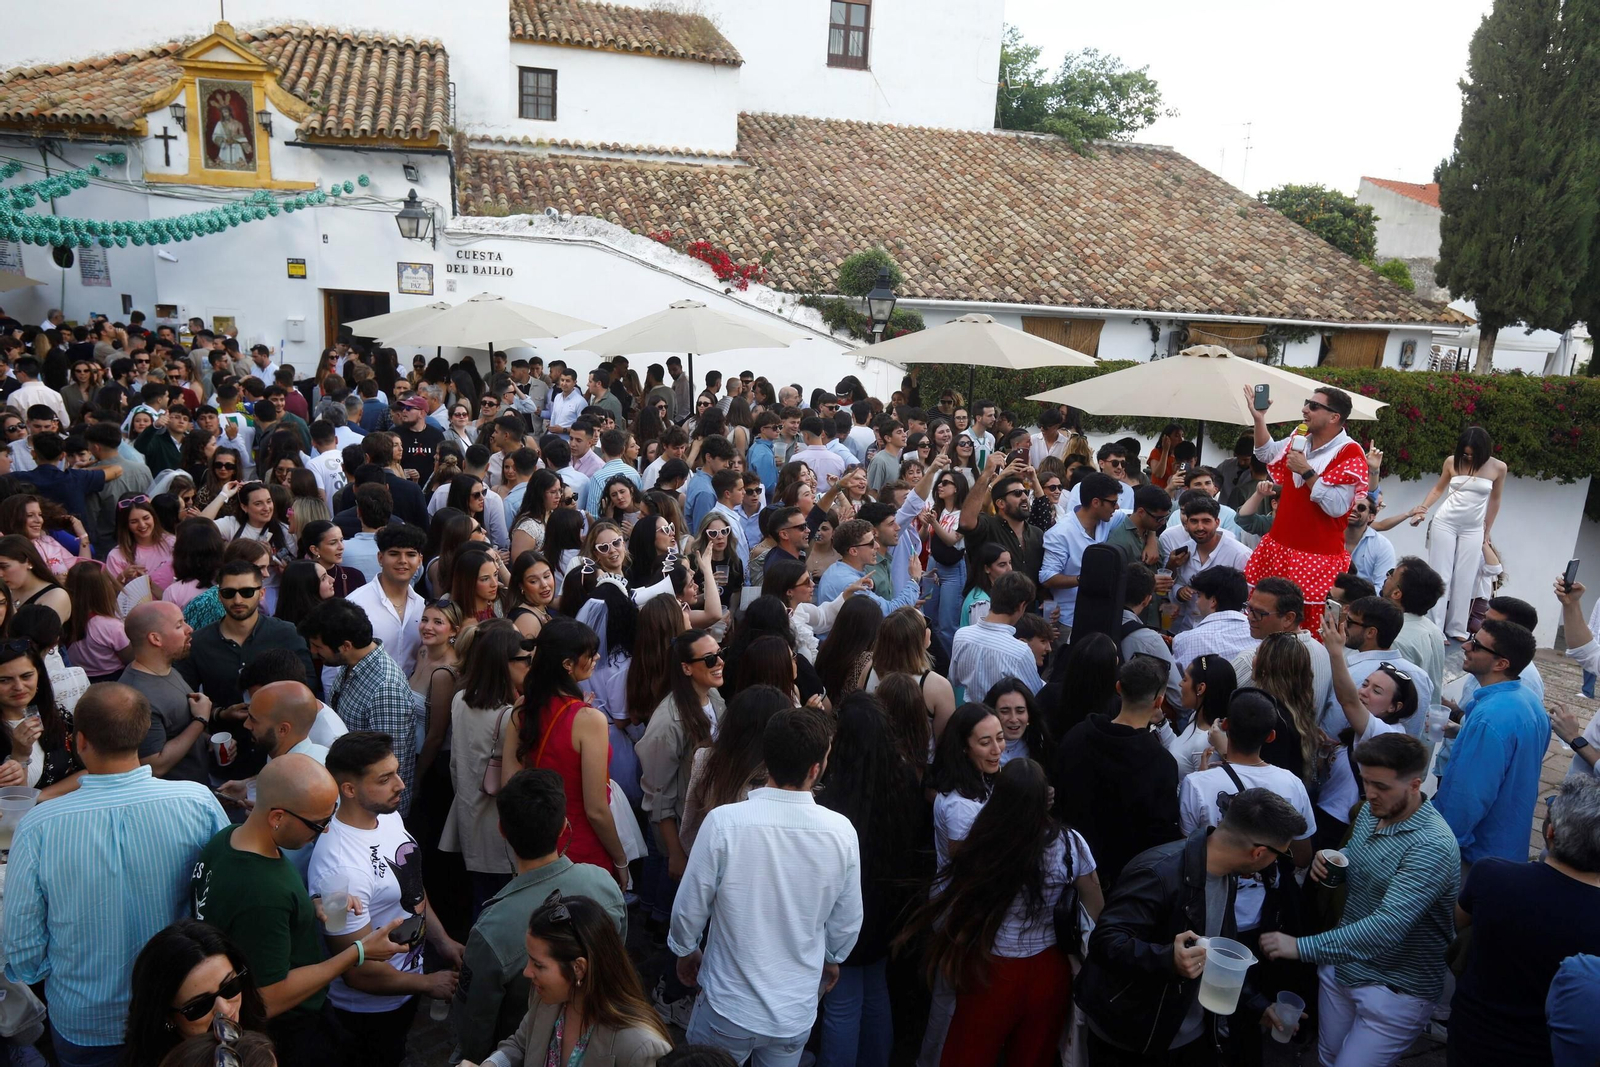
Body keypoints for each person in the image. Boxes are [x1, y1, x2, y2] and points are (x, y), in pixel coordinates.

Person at [3, 682, 230, 1066]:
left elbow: (23, 950)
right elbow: (223, 900)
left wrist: (68, 972)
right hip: (182, 1010)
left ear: (79, 741)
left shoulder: (38, 826)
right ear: (142, 734)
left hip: (85, 1021)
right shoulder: (197, 801)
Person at [670, 707, 863, 1067]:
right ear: (816, 769)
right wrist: (832, 958)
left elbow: (690, 904)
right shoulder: (841, 833)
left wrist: (685, 948)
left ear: (767, 759)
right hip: (793, 1013)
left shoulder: (724, 823)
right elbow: (847, 920)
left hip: (727, 1007)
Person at [190, 753, 407, 1066]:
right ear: (277, 817)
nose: (326, 831)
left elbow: (255, 918)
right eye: (319, 824)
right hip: (290, 1031)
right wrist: (359, 951)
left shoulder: (227, 838)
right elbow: (267, 998)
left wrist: (309, 905)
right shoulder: (263, 892)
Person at [1259, 733, 1460, 1067]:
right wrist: (1331, 859)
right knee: (1328, 1057)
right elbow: (1362, 857)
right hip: (1341, 967)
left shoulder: (1432, 847)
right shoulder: (1370, 811)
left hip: (1394, 989)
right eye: (1366, 781)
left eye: (1380, 786)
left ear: (1415, 785)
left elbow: (1386, 927)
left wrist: (1300, 947)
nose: (1369, 793)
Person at [1076, 788, 1308, 1065]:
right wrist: (1167, 959)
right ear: (1258, 853)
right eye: (1281, 854)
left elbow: (1217, 953)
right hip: (1134, 1038)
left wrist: (1256, 1004)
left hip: (1190, 1033)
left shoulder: (1227, 875)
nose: (1278, 861)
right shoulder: (1158, 872)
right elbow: (1104, 941)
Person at [904, 758, 1102, 1067]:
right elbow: (1095, 906)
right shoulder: (1071, 843)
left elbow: (965, 909)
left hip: (990, 970)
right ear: (1044, 798)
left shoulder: (982, 843)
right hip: (1050, 972)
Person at [308, 732, 462, 1066]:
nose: (401, 785)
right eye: (384, 778)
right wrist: (426, 983)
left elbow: (411, 886)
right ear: (349, 789)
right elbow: (355, 971)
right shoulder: (337, 872)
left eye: (396, 771)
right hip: (366, 1015)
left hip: (403, 990)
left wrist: (443, 942)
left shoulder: (387, 814)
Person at [454, 768, 628, 1062]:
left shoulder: (491, 928)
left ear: (502, 830)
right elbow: (617, 959)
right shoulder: (603, 883)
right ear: (563, 827)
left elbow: (475, 1025)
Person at [1445, 776, 1600, 1065]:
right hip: (1545, 1052)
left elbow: (1459, 922)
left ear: (1550, 832)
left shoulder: (1491, 875)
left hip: (1472, 1038)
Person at [814, 693, 925, 1067]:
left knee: (842, 1002)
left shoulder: (833, 796)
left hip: (846, 912)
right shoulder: (904, 779)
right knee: (876, 992)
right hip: (888, 909)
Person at [461, 893, 671, 1067]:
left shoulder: (639, 1047)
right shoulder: (545, 995)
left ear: (578, 968)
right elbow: (520, 1044)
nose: (527, 972)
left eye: (538, 965)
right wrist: (492, 1064)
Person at [1242, 386, 1368, 632]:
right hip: (1280, 547)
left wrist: (1306, 471)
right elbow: (1266, 453)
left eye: (1313, 405)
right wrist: (1259, 419)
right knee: (1267, 615)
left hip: (1315, 557)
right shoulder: (1300, 436)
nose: (1305, 409)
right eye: (1307, 402)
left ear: (1334, 417)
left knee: (1304, 626)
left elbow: (1336, 507)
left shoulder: (1350, 452)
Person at [1053, 656, 1180, 891]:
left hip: (1068, 869)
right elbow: (1161, 835)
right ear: (1159, 701)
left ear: (1119, 687)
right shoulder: (1161, 764)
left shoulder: (1076, 737)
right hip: (1128, 883)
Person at [1434, 616, 1547, 865]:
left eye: (1476, 645)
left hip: (1476, 852)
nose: (1465, 646)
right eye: (1471, 639)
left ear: (1501, 663)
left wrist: (1441, 845)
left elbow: (1469, 796)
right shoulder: (1530, 701)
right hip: (1508, 844)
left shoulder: (1490, 717)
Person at [440, 621, 528, 913]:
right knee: (504, 908)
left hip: (468, 814)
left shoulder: (460, 700)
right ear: (504, 663)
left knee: (482, 902)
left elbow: (455, 763)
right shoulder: (511, 716)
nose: (530, 664)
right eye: (524, 659)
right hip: (501, 828)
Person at [1403, 427, 1506, 641]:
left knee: (1466, 577)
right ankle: (1434, 628)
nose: (1468, 458)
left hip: (1474, 528)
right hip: (1445, 523)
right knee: (1441, 574)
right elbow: (1438, 489)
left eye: (1473, 454)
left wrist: (1487, 530)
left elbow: (1495, 500)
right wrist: (1423, 509)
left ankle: (1457, 628)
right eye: (1465, 454)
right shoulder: (1452, 462)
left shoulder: (1498, 467)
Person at [121, 920, 268, 1067]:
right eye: (200, 1006)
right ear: (167, 1017)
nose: (224, 1009)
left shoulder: (262, 1045)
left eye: (230, 987)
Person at [181, 559, 315, 713]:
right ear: (219, 596)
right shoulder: (199, 642)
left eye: (247, 592)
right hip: (222, 727)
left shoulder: (287, 633)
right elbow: (186, 697)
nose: (238, 600)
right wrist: (220, 714)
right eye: (229, 593)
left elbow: (308, 684)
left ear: (261, 594)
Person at [119, 601, 212, 784]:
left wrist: (207, 740)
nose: (189, 629)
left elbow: (176, 729)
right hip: (177, 797)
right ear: (156, 639)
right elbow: (154, 766)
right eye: (179, 625)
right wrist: (200, 721)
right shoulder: (135, 697)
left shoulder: (167, 669)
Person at [1323, 595, 1432, 737]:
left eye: (1349, 621)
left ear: (1370, 632)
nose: (1343, 625)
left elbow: (1331, 732)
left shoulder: (1351, 675)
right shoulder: (1422, 676)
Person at [1228, 576, 1330, 716]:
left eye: (1259, 613)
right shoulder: (1324, 653)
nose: (1250, 617)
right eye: (1249, 608)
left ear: (1288, 618)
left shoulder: (1251, 660)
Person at [1041, 471, 1127, 636]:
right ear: (1096, 502)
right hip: (1069, 620)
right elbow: (1047, 577)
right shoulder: (1060, 533)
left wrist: (1152, 538)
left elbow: (1136, 517)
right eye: (1113, 503)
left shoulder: (1107, 519)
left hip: (1100, 615)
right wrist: (1083, 579)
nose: (1116, 507)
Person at [948, 572, 1042, 705]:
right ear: (1021, 606)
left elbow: (955, 679)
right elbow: (1034, 696)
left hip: (972, 713)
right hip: (1002, 717)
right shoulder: (1020, 652)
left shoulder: (961, 636)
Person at [958, 454, 1044, 588]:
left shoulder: (1036, 534)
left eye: (1025, 493)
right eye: (1017, 493)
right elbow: (966, 521)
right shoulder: (988, 527)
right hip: (990, 600)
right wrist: (987, 474)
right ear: (1000, 503)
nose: (1024, 497)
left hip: (1028, 601)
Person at [1380, 556, 1447, 701]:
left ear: (1396, 594)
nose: (1386, 578)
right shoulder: (1433, 629)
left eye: (1391, 575)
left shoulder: (1394, 638)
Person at [1165, 653, 1238, 781]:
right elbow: (1179, 750)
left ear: (1200, 688)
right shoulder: (1196, 716)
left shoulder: (1207, 742)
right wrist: (1161, 723)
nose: (1180, 684)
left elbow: (1205, 789)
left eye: (1185, 679)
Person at [1170, 566, 1255, 673]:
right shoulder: (1259, 635)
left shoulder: (1185, 640)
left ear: (1213, 601)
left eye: (1199, 596)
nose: (1196, 602)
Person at [1343, 494, 1395, 589]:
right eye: (1350, 505)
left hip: (1364, 596)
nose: (1353, 509)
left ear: (1371, 517)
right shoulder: (1329, 537)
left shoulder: (1382, 546)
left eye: (1361, 508)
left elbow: (1381, 586)